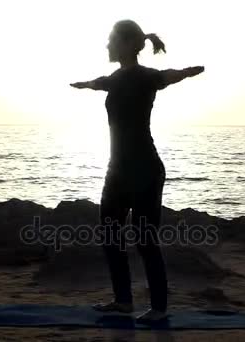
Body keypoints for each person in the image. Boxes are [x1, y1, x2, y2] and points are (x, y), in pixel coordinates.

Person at [70, 19, 204, 323]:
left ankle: (158, 308)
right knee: (109, 235)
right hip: (117, 170)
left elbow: (168, 76)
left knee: (144, 240)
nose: (107, 45)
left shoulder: (145, 77)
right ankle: (123, 301)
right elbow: (99, 82)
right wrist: (84, 85)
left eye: (111, 40)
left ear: (129, 44)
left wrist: (188, 72)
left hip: (145, 169)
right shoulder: (115, 78)